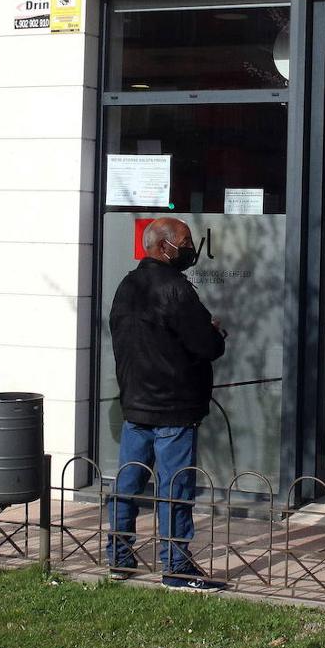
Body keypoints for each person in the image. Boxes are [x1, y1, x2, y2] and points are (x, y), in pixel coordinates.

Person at [107, 217, 227, 592]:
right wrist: (215, 332)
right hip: (173, 407)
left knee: (129, 481)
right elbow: (204, 345)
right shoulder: (175, 289)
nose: (191, 249)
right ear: (164, 247)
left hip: (136, 403)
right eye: (186, 242)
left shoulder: (127, 286)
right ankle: (176, 566)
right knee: (175, 488)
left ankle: (119, 555)